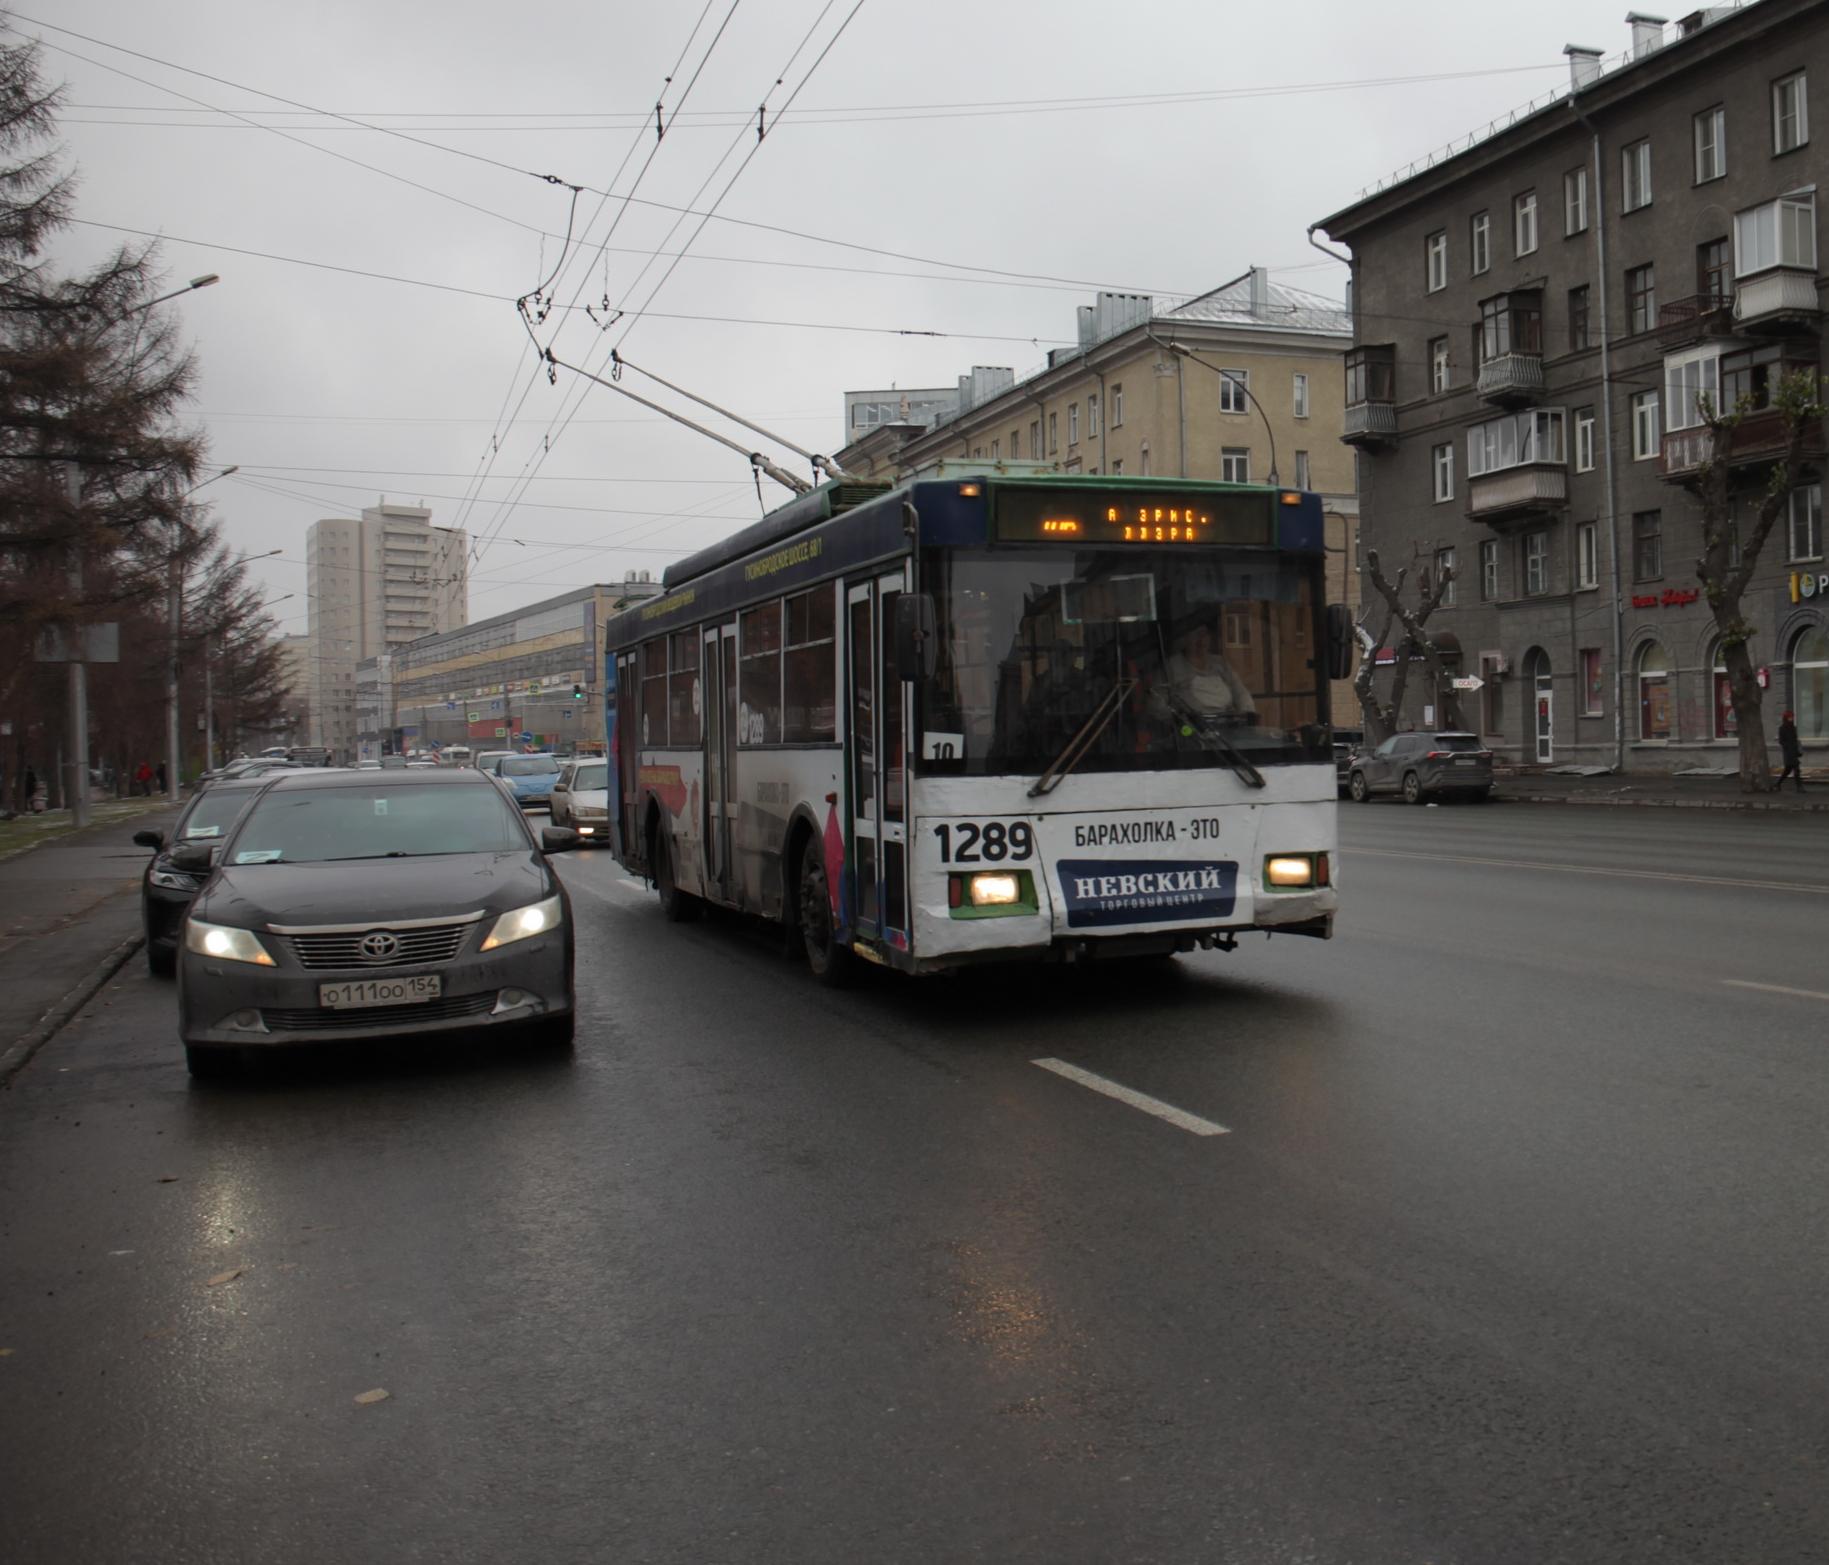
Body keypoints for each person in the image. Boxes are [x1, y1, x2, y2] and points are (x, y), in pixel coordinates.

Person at [1155, 622, 1256, 721]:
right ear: (1184, 638)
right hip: (1191, 731)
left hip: (1227, 729)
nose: (1201, 640)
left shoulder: (1220, 663)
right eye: (1195, 635)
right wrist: (1180, 718)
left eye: (1204, 634)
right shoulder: (1171, 667)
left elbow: (1240, 693)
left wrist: (1248, 716)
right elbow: (1157, 705)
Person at [1777, 709, 1805, 792]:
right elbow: (1781, 741)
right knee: (1793, 770)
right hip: (1788, 752)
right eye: (1789, 717)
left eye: (1792, 717)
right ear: (1786, 718)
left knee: (1790, 770)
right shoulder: (1782, 728)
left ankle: (1778, 784)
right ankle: (1799, 787)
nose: (1791, 719)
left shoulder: (1793, 728)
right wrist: (1787, 747)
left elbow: (1795, 739)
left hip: (1794, 751)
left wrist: (1797, 749)